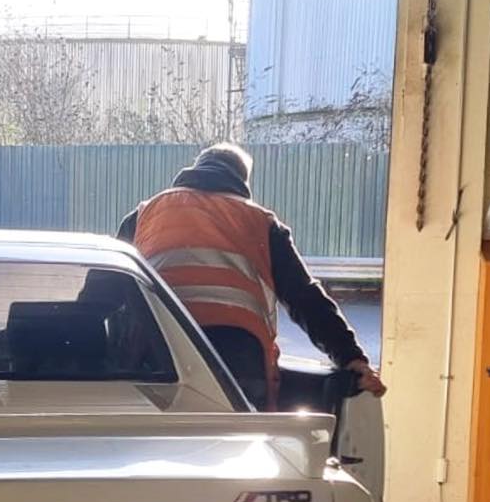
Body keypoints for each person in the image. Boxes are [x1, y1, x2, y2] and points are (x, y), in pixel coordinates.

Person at [117, 142, 386, 410]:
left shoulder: (143, 216)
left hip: (154, 354)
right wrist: (351, 357)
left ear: (195, 169)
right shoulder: (260, 223)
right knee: (240, 444)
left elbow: (106, 290)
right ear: (242, 179)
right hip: (237, 359)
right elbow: (306, 298)